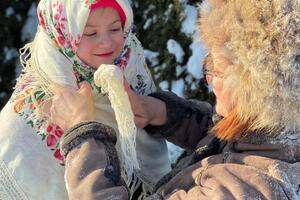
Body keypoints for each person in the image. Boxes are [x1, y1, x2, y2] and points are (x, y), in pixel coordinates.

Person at [50, 0, 300, 199]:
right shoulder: (280, 131)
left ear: (258, 92)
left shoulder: (243, 191)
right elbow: (231, 140)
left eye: (218, 69)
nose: (208, 79)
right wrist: (160, 112)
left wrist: (81, 133)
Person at [0, 0, 171, 199]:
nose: (107, 43)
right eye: (90, 33)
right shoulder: (37, 106)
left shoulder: (130, 70)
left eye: (115, 29)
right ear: (62, 35)